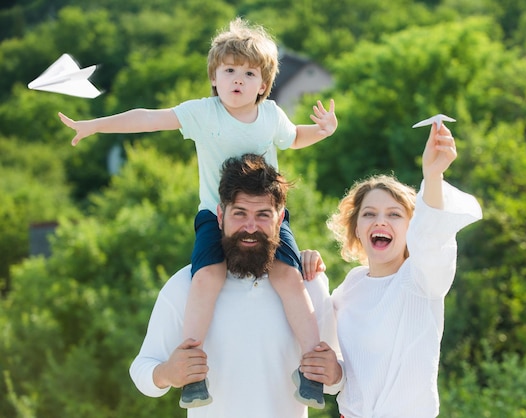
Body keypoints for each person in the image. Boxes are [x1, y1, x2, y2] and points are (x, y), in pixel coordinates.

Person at [59, 17, 337, 408]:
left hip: (268, 216)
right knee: (206, 277)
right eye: (228, 71)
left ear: (264, 84)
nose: (237, 80)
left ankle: (311, 369)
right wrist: (94, 126)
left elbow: (295, 139)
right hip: (216, 216)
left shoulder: (272, 115)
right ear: (214, 78)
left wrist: (324, 130)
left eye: (248, 73)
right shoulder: (203, 113)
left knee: (289, 277)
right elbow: (146, 118)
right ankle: (194, 373)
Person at [129, 154, 343, 418]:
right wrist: (167, 374)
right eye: (240, 213)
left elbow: (338, 381)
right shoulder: (186, 285)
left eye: (263, 215)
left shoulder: (309, 287)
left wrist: (335, 373)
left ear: (279, 220)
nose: (250, 227)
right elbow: (142, 369)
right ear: (220, 216)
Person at [325, 121, 482, 417]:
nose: (380, 221)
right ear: (357, 229)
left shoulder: (421, 280)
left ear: (412, 229)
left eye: (394, 214)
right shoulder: (350, 286)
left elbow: (432, 235)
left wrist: (433, 175)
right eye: (369, 214)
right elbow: (336, 366)